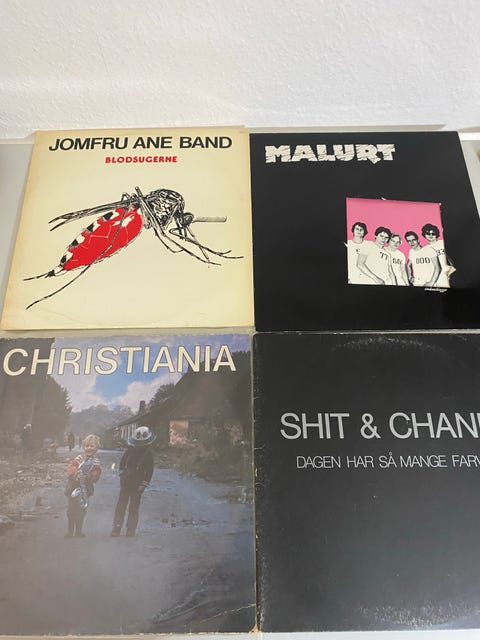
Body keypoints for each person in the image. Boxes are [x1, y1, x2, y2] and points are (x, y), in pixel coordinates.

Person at [111, 426, 155, 538]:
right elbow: (122, 463)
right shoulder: (129, 450)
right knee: (121, 505)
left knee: (134, 507)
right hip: (126, 482)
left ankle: (131, 529)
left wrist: (144, 484)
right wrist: (122, 474)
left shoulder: (148, 454)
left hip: (138, 484)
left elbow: (149, 471)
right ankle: (116, 527)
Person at [64, 434, 101, 538]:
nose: (89, 448)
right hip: (73, 487)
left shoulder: (96, 462)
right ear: (84, 447)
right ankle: (70, 531)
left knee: (82, 510)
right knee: (71, 510)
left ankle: (78, 531)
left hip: (85, 489)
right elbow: (71, 467)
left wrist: (90, 476)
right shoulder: (79, 458)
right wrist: (75, 474)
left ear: (96, 448)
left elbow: (96, 474)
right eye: (87, 446)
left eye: (92, 446)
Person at [421, 223, 453, 288]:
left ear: (436, 234)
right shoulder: (424, 249)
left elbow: (451, 256)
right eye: (428, 233)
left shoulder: (442, 242)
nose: (431, 235)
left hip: (449, 272)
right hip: (437, 276)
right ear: (424, 234)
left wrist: (452, 268)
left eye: (433, 233)